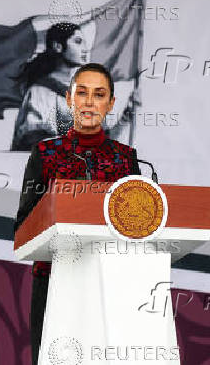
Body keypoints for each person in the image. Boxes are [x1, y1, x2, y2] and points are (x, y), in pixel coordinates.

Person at [14, 62, 141, 365]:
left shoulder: (126, 160)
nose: (89, 101)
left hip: (109, 287)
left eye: (99, 94)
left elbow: (138, 230)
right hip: (53, 283)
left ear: (110, 104)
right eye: (81, 92)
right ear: (70, 99)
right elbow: (22, 229)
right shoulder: (44, 154)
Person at [11, 22, 89, 150]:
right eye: (78, 42)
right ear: (58, 46)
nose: (85, 49)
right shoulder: (41, 91)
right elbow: (34, 137)